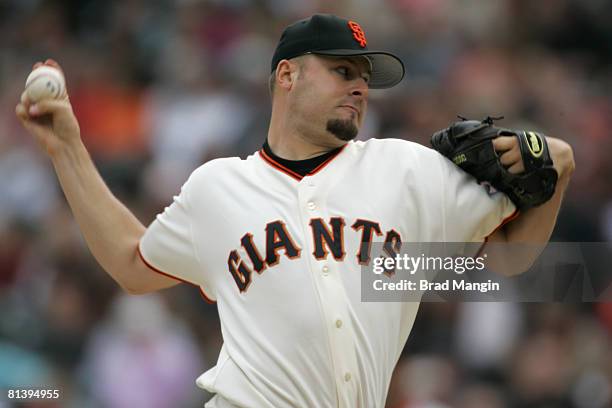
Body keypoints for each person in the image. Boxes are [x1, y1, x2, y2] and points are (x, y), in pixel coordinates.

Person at [16, 13, 574, 408]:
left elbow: (511, 260)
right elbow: (130, 263)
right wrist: (68, 148)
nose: (359, 87)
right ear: (288, 75)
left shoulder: (409, 169)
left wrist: (560, 169)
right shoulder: (218, 187)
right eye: (342, 71)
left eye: (364, 77)